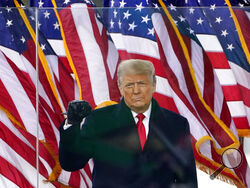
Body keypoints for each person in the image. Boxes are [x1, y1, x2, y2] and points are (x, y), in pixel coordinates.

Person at [59, 59, 198, 188]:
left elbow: (186, 179)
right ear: (120, 87)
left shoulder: (176, 124)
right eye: (129, 84)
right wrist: (72, 123)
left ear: (154, 85)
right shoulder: (99, 120)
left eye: (142, 83)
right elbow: (71, 163)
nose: (136, 90)